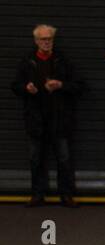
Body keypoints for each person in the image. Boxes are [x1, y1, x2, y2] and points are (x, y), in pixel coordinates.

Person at [12, 24, 84, 207]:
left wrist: (61, 85)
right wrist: (26, 88)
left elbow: (79, 86)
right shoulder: (27, 61)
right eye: (43, 39)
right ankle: (37, 194)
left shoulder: (63, 60)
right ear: (36, 41)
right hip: (35, 119)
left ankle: (66, 195)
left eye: (49, 39)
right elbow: (15, 86)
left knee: (64, 159)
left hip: (59, 119)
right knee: (36, 158)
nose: (46, 42)